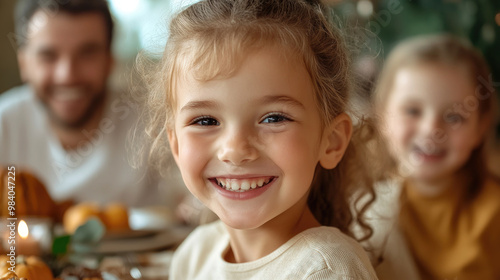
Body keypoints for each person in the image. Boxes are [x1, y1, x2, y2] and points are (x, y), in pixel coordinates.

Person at [137, 0, 381, 279]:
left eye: (274, 118)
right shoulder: (195, 254)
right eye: (205, 121)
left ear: (332, 141)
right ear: (176, 144)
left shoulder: (326, 270)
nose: (235, 150)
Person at [0, 0, 185, 209]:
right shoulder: (4, 125)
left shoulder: (155, 124)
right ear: (24, 63)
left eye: (87, 53)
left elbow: (194, 205)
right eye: (48, 56)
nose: (67, 75)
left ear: (109, 60)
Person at [370, 34, 500, 279]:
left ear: (480, 128)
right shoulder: (363, 209)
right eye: (412, 111)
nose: (431, 130)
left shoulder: (494, 212)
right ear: (382, 117)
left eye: (454, 117)